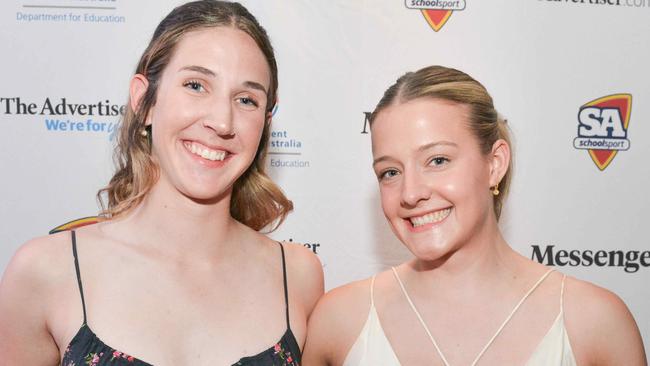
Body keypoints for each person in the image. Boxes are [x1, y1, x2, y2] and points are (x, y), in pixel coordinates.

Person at [0, 1, 323, 365]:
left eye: (246, 99)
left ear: (265, 120)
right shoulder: (46, 271)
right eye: (196, 85)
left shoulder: (297, 276)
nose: (222, 121)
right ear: (144, 100)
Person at [302, 65, 646, 366]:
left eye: (437, 161)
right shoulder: (340, 321)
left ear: (494, 163)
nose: (410, 193)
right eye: (390, 172)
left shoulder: (595, 322)